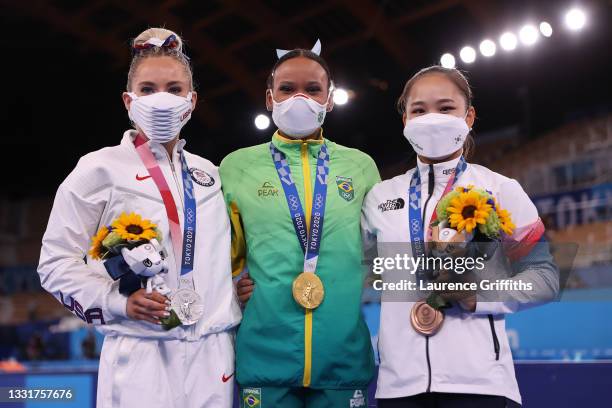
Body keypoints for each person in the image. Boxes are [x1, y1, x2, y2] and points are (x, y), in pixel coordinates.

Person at [37, 28, 240, 408]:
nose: (161, 99)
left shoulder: (211, 173)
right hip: (141, 352)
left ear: (192, 101)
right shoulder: (98, 169)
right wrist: (116, 302)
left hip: (214, 353)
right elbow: (54, 264)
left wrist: (240, 288)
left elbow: (222, 257)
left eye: (175, 89)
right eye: (148, 89)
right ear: (128, 101)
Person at [362, 66, 559, 407]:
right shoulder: (380, 196)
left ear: (469, 117)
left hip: (481, 384)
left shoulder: (499, 189)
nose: (432, 118)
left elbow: (545, 278)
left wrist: (477, 296)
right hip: (399, 386)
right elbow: (356, 270)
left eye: (445, 108)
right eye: (419, 110)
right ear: (405, 121)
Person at [221, 41, 380, 408]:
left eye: (312, 89)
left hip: (342, 360)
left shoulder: (360, 166)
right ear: (269, 98)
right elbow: (221, 256)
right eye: (287, 89)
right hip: (265, 359)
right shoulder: (236, 167)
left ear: (329, 98)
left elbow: (381, 248)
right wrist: (234, 286)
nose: (299, 98)